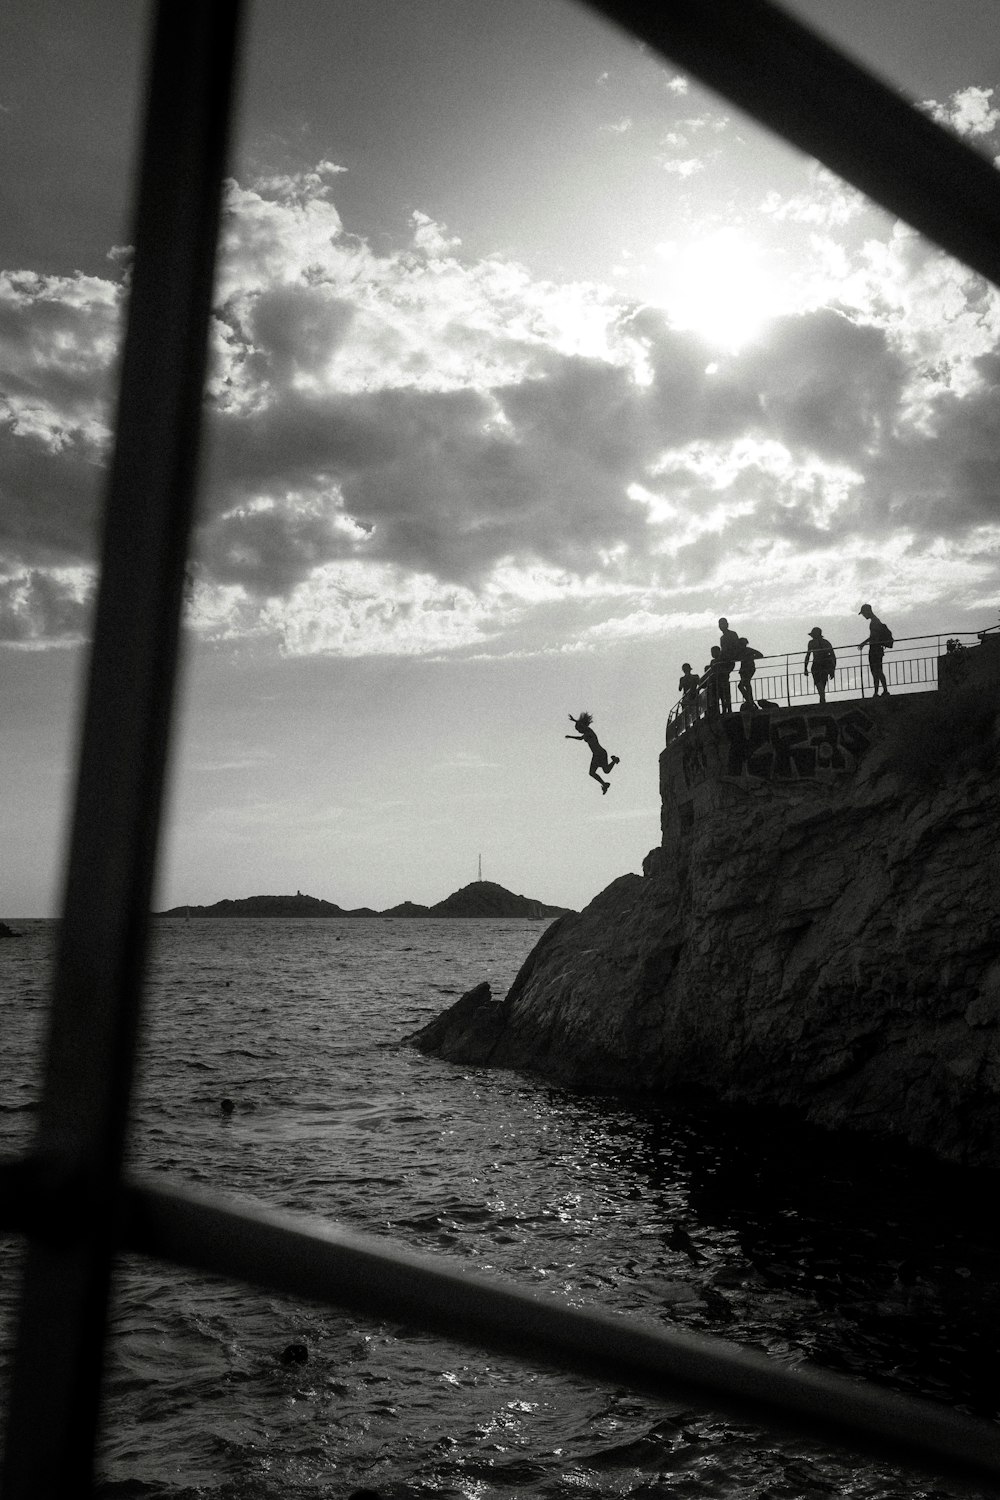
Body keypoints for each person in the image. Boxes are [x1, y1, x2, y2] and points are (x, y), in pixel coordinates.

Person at [566, 711, 620, 794]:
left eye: (578, 729)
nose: (578, 731)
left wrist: (574, 720)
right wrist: (570, 737)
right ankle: (604, 784)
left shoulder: (589, 731)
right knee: (592, 773)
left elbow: (582, 726)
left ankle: (614, 760)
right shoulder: (585, 734)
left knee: (606, 771)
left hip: (601, 753)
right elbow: (580, 738)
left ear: (582, 727)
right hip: (596, 755)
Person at [858, 603, 892, 696]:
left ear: (867, 611)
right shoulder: (876, 621)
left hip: (875, 649)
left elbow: (873, 637)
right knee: (877, 671)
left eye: (864, 613)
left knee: (876, 671)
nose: (863, 615)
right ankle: (879, 691)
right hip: (877, 649)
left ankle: (881, 691)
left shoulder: (874, 622)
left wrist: (863, 643)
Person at [803, 626, 836, 705]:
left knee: (820, 685)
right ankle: (822, 700)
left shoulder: (812, 643)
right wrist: (833, 669)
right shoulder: (826, 642)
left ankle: (822, 700)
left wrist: (805, 668)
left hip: (819, 665)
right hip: (823, 665)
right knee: (821, 685)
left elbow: (808, 655)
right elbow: (833, 656)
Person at [735, 636, 763, 709]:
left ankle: (749, 701)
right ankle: (750, 700)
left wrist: (751, 657)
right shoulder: (741, 651)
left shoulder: (748, 650)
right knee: (746, 685)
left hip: (748, 669)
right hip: (744, 669)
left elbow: (760, 655)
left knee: (743, 685)